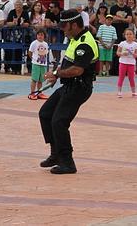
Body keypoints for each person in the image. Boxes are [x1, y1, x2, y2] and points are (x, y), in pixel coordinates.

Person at [38, 9, 99, 174]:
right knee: (45, 113)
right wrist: (57, 76)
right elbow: (67, 62)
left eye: (65, 26)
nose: (63, 29)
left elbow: (77, 70)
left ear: (74, 25)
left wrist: (57, 74)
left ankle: (68, 163)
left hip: (79, 87)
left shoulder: (86, 43)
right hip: (69, 85)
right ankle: (56, 154)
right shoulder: (74, 38)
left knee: (59, 122)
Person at [7, 0, 31, 74]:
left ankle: (18, 69)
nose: (18, 6)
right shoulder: (12, 12)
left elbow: (28, 23)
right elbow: (8, 23)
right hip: (12, 34)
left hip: (22, 34)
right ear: (14, 6)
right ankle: (13, 68)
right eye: (16, 5)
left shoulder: (25, 13)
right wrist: (14, 23)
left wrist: (23, 24)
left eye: (19, 5)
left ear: (22, 6)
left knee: (20, 51)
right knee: (11, 50)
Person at [116, 29, 137, 98]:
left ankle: (133, 92)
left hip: (131, 63)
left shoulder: (135, 44)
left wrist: (132, 53)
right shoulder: (122, 43)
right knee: (121, 77)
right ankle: (119, 91)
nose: (129, 36)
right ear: (125, 35)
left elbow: (136, 55)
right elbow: (118, 53)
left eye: (130, 34)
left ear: (133, 35)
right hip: (123, 62)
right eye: (127, 34)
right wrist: (122, 53)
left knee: (131, 78)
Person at [28, 29, 49, 100]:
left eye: (42, 35)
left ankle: (39, 93)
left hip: (43, 64)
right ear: (36, 35)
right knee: (34, 79)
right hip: (36, 64)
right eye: (39, 34)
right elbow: (30, 52)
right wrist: (34, 59)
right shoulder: (34, 43)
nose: (40, 36)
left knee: (41, 80)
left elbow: (46, 53)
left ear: (44, 36)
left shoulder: (46, 44)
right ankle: (32, 93)